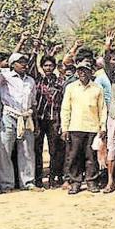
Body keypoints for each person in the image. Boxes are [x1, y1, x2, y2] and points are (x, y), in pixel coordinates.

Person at [0, 53, 40, 192]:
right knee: (5, 150)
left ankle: (28, 182)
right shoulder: (5, 77)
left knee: (27, 151)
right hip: (9, 117)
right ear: (12, 65)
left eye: (25, 62)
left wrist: (35, 121)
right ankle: (7, 184)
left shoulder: (30, 80)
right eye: (20, 62)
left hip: (26, 118)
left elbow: (33, 102)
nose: (24, 64)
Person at [60, 59, 107, 194]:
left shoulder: (97, 88)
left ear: (91, 72)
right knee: (74, 156)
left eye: (85, 70)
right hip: (75, 127)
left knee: (91, 156)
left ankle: (91, 181)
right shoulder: (71, 87)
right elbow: (65, 109)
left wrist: (103, 127)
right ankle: (75, 182)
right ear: (76, 72)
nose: (82, 73)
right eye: (80, 70)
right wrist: (65, 128)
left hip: (92, 127)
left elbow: (102, 108)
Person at [33, 55, 65, 188]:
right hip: (39, 119)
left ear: (54, 67)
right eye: (45, 65)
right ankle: (38, 179)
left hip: (54, 119)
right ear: (42, 67)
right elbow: (31, 64)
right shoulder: (38, 80)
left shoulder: (60, 82)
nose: (48, 68)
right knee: (38, 150)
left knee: (54, 151)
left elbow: (63, 102)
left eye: (50, 65)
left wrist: (62, 122)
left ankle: (53, 178)